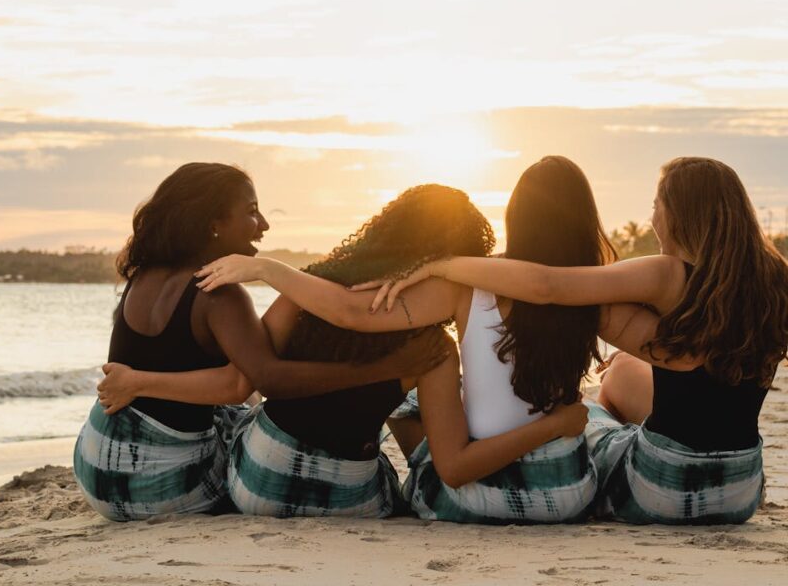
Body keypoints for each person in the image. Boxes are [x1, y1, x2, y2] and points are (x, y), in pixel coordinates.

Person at [188, 158, 648, 523]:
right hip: (563, 497)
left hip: (270, 483)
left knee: (244, 418)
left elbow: (348, 312)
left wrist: (271, 270)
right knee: (594, 420)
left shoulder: (452, 289)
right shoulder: (595, 293)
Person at [352, 157, 788, 525]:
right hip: (742, 490)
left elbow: (547, 286)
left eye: (657, 204)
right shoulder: (776, 281)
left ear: (680, 213)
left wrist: (442, 265)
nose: (654, 216)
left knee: (593, 416)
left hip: (660, 487)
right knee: (618, 375)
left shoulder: (666, 273)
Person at [74, 163, 445, 521]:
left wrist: (139, 382)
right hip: (161, 488)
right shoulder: (219, 294)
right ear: (213, 223)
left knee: (237, 412)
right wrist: (390, 367)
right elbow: (259, 381)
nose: (264, 225)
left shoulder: (143, 276)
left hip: (95, 467)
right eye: (252, 212)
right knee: (253, 430)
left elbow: (232, 380)